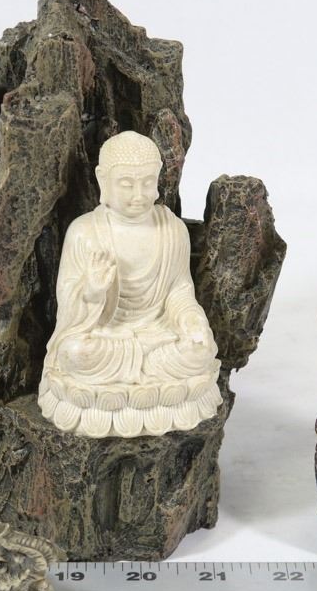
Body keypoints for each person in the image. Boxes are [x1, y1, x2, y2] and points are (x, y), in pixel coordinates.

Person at [37, 131, 222, 437]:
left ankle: (138, 385)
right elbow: (68, 309)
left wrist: (192, 321)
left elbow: (179, 291)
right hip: (107, 338)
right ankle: (148, 386)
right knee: (75, 353)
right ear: (103, 180)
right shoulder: (84, 232)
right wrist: (92, 291)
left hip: (158, 335)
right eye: (126, 183)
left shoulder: (172, 230)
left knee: (198, 351)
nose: (139, 194)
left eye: (148, 182)